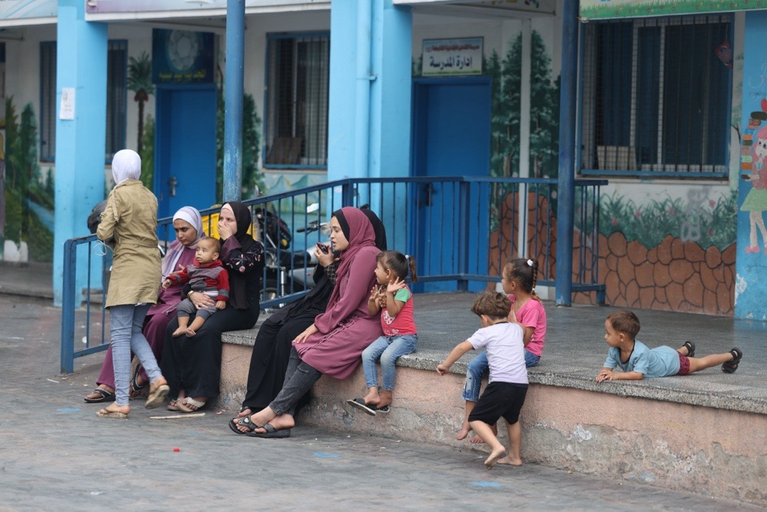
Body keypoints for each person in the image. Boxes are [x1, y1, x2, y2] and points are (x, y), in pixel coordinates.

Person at [231, 207, 383, 438]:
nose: (331, 236)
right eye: (331, 230)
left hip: (362, 324)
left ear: (353, 230)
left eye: (337, 230)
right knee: (299, 344)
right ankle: (286, 414)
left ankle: (272, 410)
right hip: (348, 321)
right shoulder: (353, 254)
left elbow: (348, 302)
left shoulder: (366, 254)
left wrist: (318, 325)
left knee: (312, 353)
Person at [84, 206, 206, 403]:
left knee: (158, 321)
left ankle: (142, 377)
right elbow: (161, 275)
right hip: (160, 294)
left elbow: (207, 281)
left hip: (183, 300)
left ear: (196, 226)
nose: (180, 235)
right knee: (124, 324)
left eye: (185, 229)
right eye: (177, 230)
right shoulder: (175, 247)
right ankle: (108, 384)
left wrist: (188, 282)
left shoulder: (205, 248)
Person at [162, 201, 265, 413]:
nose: (223, 224)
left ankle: (200, 392)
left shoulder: (254, 248)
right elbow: (192, 276)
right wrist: (192, 293)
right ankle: (178, 389)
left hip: (240, 308)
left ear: (241, 222)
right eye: (221, 219)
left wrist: (229, 240)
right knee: (174, 326)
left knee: (206, 330)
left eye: (229, 220)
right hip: (209, 303)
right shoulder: (213, 247)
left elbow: (241, 266)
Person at [94, 149, 170, 418]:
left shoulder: (119, 193)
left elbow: (104, 231)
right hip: (150, 266)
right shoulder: (149, 195)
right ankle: (157, 377)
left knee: (119, 334)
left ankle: (122, 401)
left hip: (128, 267)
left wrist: (102, 224)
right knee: (134, 331)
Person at [457, 257, 546, 443]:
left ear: (513, 284)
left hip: (528, 352)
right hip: (511, 348)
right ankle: (469, 419)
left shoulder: (532, 306)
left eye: (503, 279)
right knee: (474, 366)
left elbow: (525, 340)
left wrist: (514, 323)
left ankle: (489, 423)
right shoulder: (510, 300)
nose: (501, 282)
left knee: (492, 367)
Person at [437, 292, 528, 469]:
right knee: (512, 419)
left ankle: (496, 446)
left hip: (501, 384)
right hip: (521, 384)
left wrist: (445, 365)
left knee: (475, 418)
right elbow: (523, 329)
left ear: (485, 318)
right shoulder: (516, 329)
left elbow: (462, 347)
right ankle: (515, 456)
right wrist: (513, 320)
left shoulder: (486, 332)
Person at [347, 250, 418, 415]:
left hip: (406, 338)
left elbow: (393, 312)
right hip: (389, 337)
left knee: (387, 357)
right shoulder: (382, 288)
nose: (374, 271)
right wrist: (373, 301)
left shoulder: (402, 290)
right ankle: (373, 393)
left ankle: (386, 395)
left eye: (377, 268)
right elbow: (372, 312)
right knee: (367, 354)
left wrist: (388, 294)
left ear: (388, 273)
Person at [596, 310, 743, 382]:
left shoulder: (640, 352)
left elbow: (638, 375)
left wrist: (615, 376)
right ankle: (687, 348)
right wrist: (603, 374)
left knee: (701, 363)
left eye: (608, 333)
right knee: (672, 353)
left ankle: (732, 355)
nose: (604, 336)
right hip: (660, 354)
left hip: (673, 363)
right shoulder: (614, 350)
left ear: (621, 337)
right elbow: (607, 368)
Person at [163, 237, 229, 337]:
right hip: (193, 298)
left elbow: (224, 286)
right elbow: (182, 276)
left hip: (210, 299)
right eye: (197, 250)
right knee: (182, 306)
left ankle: (191, 329)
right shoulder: (192, 268)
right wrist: (170, 280)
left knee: (204, 311)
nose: (198, 253)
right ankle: (182, 326)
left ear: (215, 256)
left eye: (204, 250)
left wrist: (222, 299)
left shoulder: (219, 270)